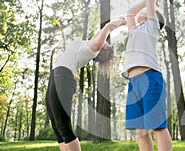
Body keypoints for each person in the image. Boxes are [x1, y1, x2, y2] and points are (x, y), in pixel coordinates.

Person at [46, 18, 126, 151]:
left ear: (104, 47)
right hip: (55, 75)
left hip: (63, 76)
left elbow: (108, 27)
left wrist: (123, 21)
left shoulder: (94, 47)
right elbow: (99, 32)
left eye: (106, 42)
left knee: (64, 127)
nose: (104, 39)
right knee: (57, 127)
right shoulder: (89, 44)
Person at [122, 0, 172, 151]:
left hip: (150, 78)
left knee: (157, 127)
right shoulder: (135, 29)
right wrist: (144, 1)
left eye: (145, 11)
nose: (141, 12)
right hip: (133, 81)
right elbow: (130, 13)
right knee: (140, 131)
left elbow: (150, 6)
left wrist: (151, 0)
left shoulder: (152, 27)